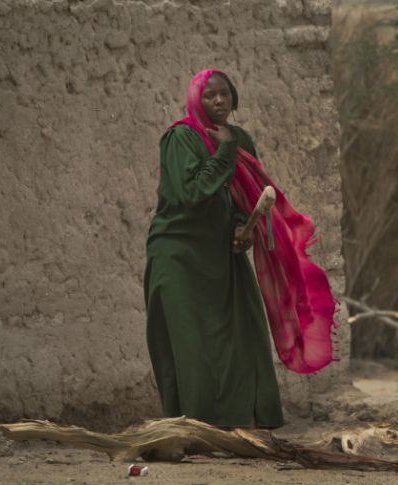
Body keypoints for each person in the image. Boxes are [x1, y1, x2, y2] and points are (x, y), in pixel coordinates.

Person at [144, 70, 285, 429]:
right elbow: (190, 193)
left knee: (245, 331)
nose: (219, 101)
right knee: (189, 344)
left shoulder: (240, 140)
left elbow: (245, 194)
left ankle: (239, 423)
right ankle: (193, 428)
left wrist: (243, 226)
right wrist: (224, 151)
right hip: (179, 254)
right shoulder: (180, 138)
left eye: (225, 94)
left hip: (222, 254)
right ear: (196, 101)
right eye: (210, 96)